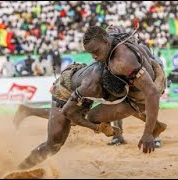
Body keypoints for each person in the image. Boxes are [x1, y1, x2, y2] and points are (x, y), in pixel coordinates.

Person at [14, 25, 167, 171]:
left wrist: (147, 132)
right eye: (91, 53)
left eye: (96, 51)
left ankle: (28, 111)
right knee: (54, 143)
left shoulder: (118, 54)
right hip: (65, 92)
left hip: (84, 87)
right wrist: (99, 128)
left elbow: (149, 94)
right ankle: (18, 170)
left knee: (117, 107)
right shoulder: (92, 84)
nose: (94, 56)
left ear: (107, 40)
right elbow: (69, 112)